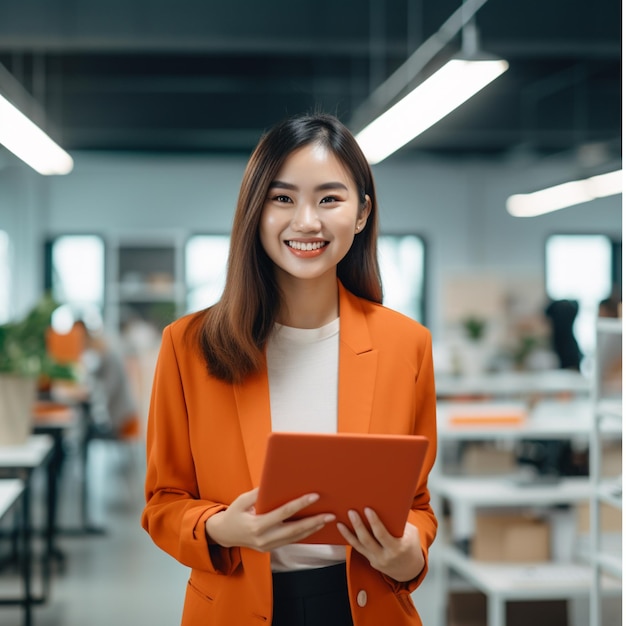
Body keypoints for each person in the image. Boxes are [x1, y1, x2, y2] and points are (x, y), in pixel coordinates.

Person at [141, 113, 438, 626]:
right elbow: (162, 504)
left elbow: (415, 505)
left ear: (362, 213)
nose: (307, 222)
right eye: (282, 199)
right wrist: (221, 528)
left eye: (330, 198)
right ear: (255, 211)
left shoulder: (406, 344)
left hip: (364, 606)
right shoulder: (188, 346)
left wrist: (410, 554)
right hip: (238, 605)